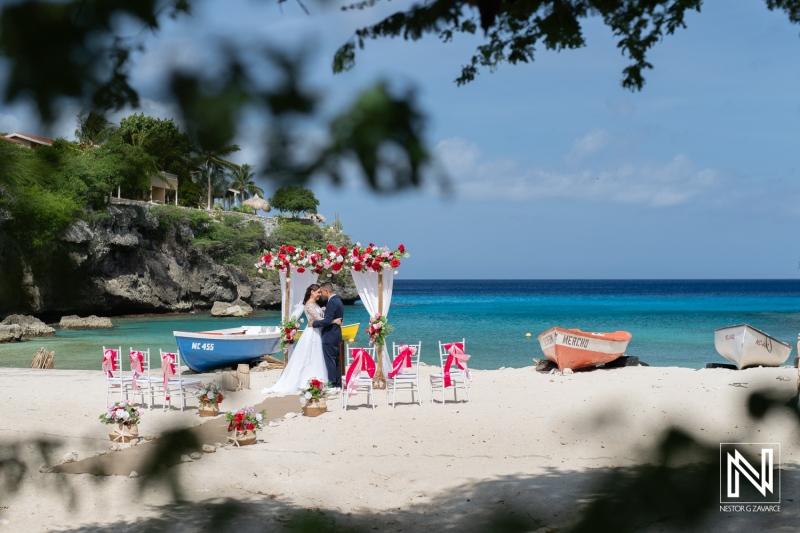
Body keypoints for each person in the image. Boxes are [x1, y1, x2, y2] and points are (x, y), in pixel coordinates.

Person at [261, 284, 341, 395]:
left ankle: (321, 381)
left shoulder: (315, 304)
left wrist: (327, 318)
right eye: (318, 292)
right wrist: (334, 321)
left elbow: (321, 319)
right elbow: (319, 319)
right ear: (312, 292)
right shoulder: (309, 305)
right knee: (310, 356)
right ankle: (308, 382)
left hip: (318, 332)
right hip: (312, 333)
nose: (319, 294)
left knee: (318, 357)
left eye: (320, 292)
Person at [311, 281, 344, 388]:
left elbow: (326, 321)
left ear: (326, 291)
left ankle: (333, 384)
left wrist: (313, 324)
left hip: (329, 335)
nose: (321, 295)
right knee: (336, 361)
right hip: (337, 334)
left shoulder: (331, 302)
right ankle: (338, 384)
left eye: (322, 292)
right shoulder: (339, 300)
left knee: (330, 361)